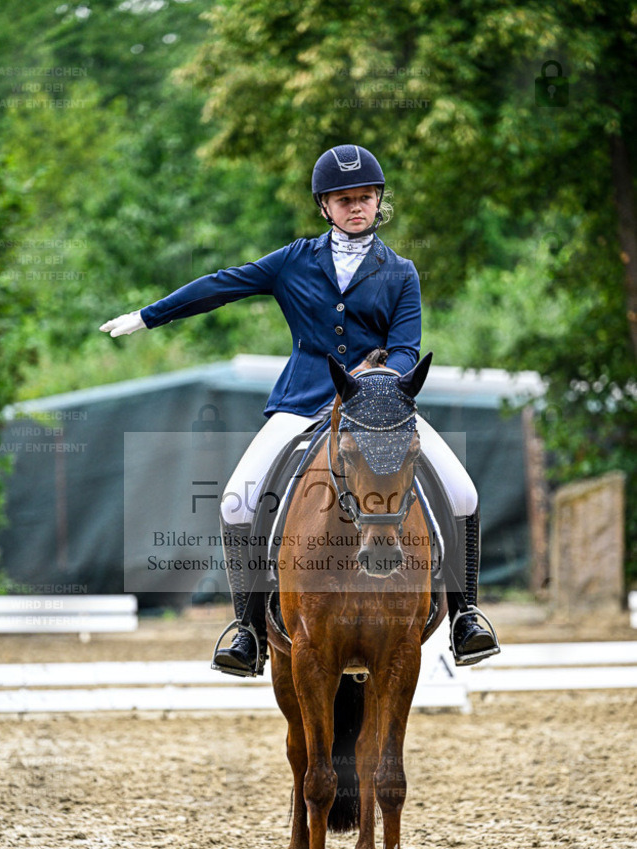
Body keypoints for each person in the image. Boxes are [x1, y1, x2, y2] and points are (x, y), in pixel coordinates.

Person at [101, 144, 499, 673]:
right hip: (303, 402)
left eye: (366, 198)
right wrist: (151, 316)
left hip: (379, 406)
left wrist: (377, 380)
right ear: (324, 206)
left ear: (378, 201)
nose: (357, 207)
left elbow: (406, 346)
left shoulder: (401, 271)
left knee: (463, 491)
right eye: (345, 199)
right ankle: (246, 629)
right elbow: (224, 284)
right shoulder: (294, 260)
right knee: (235, 502)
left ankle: (465, 617)